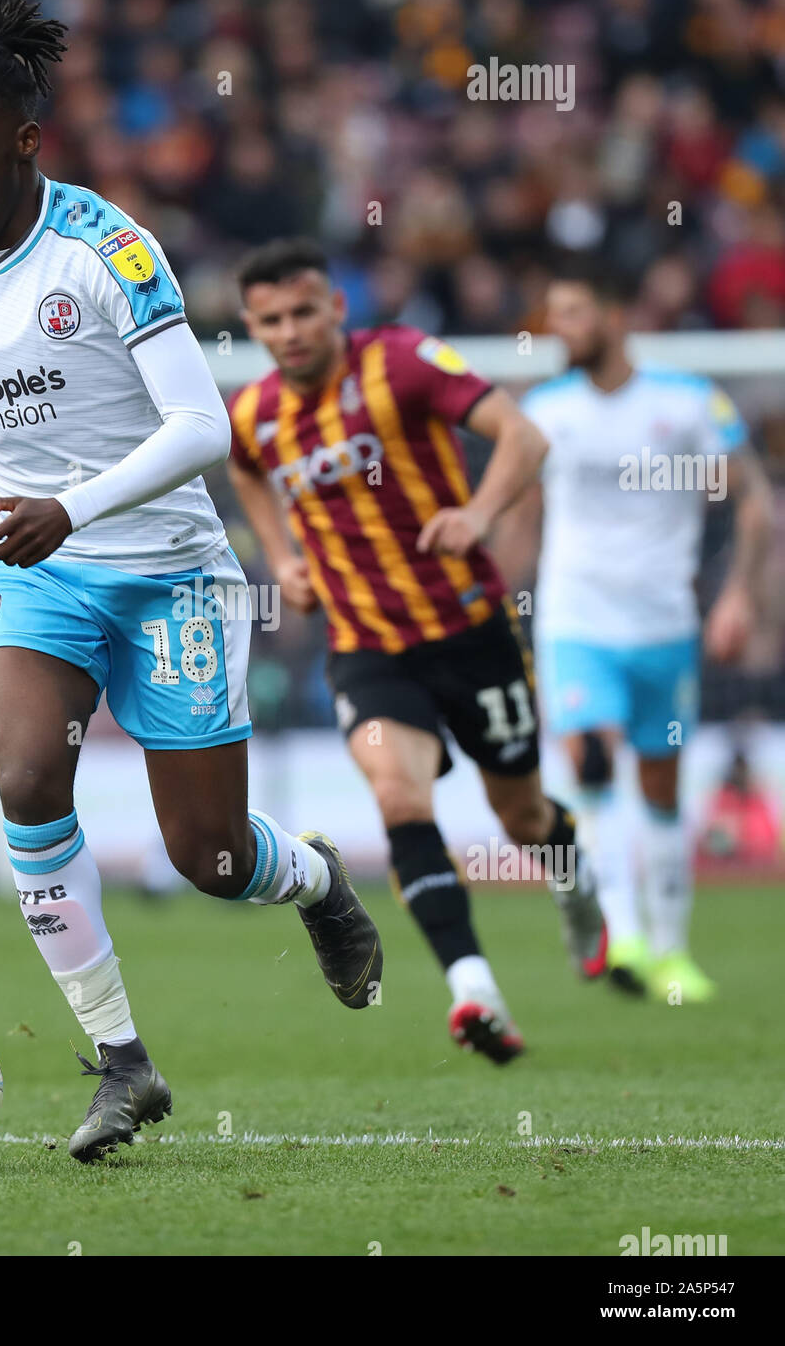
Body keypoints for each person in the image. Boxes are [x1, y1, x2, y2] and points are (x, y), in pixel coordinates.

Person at [0, 0, 383, 1162]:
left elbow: (208, 429)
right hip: (39, 572)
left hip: (170, 574)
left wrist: (69, 506)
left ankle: (316, 883)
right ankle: (123, 1065)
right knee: (27, 776)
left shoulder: (113, 252)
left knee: (210, 855)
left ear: (26, 143)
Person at [226, 237, 607, 1066]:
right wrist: (279, 555)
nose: (289, 332)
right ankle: (475, 989)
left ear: (336, 309)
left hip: (469, 631)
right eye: (270, 321)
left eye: (302, 313)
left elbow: (525, 437)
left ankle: (571, 875)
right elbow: (244, 466)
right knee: (399, 799)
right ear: (253, 328)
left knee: (523, 817)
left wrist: (479, 512)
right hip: (367, 648)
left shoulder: (401, 363)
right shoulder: (254, 413)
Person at [517, 261, 773, 1000]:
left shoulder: (687, 402)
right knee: (592, 765)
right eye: (552, 314)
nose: (557, 330)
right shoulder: (547, 408)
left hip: (664, 623)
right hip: (575, 621)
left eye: (571, 313)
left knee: (660, 790)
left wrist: (738, 600)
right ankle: (621, 934)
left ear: (614, 316)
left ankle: (671, 953)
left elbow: (753, 503)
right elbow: (525, 517)